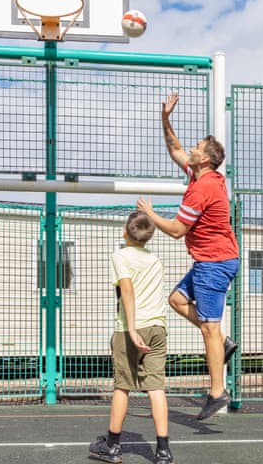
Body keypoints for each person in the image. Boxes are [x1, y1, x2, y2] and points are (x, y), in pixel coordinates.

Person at [137, 92, 239, 421]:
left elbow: (178, 230)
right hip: (208, 260)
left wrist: (150, 214)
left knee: (209, 328)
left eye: (197, 148)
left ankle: (217, 392)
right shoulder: (203, 174)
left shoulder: (202, 188)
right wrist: (166, 118)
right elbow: (175, 149)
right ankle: (222, 343)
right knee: (177, 300)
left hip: (214, 263)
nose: (191, 150)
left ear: (205, 160)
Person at [89, 211, 173, 464]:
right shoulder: (156, 260)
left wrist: (133, 329)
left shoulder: (120, 256)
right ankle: (163, 451)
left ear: (125, 231)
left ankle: (113, 445)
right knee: (156, 388)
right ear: (150, 236)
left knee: (122, 387)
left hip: (130, 329)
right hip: (158, 327)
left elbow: (127, 290)